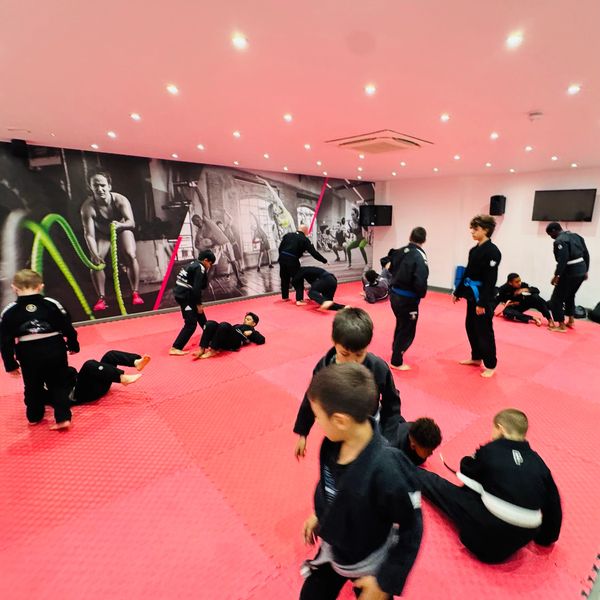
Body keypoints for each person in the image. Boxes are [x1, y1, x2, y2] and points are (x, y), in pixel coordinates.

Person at [299, 362, 422, 599]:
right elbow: (331, 486)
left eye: (318, 417)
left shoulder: (388, 469)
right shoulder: (332, 446)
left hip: (371, 559)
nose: (318, 424)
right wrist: (320, 515)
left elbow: (412, 526)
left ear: (340, 421)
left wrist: (386, 582)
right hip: (336, 547)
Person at [417, 409, 562, 564]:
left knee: (443, 488)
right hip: (523, 537)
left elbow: (467, 472)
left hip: (486, 540)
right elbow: (554, 505)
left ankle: (410, 470)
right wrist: (546, 538)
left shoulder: (490, 450)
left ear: (500, 428)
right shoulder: (539, 463)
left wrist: (470, 459)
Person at [293, 307, 402, 459]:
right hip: (338, 429)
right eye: (344, 354)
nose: (352, 362)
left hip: (369, 428)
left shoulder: (378, 367)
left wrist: (389, 439)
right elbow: (311, 399)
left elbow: (392, 403)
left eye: (359, 355)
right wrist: (303, 433)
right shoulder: (324, 368)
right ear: (334, 342)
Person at [0, 269, 79, 430]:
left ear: (14, 288)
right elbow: (67, 326)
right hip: (54, 348)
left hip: (28, 352)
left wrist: (10, 363)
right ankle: (63, 418)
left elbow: (5, 340)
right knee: (58, 383)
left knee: (32, 385)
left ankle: (34, 416)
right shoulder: (52, 304)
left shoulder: (9, 311)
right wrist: (73, 344)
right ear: (40, 286)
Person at [80, 171, 144, 311]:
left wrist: (119, 225)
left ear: (109, 186)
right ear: (91, 187)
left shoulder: (120, 200)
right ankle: (101, 298)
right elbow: (89, 235)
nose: (100, 189)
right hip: (102, 234)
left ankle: (135, 293)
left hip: (122, 228)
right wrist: (94, 254)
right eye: (95, 186)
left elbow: (131, 223)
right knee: (95, 263)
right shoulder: (88, 207)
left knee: (130, 254)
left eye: (102, 185)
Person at [453, 215, 502, 378]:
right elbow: (467, 272)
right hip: (471, 295)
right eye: (472, 229)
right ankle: (476, 357)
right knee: (471, 327)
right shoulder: (474, 250)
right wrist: (458, 291)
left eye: (476, 229)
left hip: (484, 297)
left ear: (486, 230)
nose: (472, 232)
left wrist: (482, 303)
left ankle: (490, 364)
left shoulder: (493, 252)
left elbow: (490, 280)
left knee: (484, 331)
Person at [387, 227, 429, 371]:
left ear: (410, 237)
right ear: (424, 240)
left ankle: (396, 349)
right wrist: (421, 294)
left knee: (401, 324)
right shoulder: (419, 255)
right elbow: (421, 278)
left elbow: (389, 266)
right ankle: (396, 361)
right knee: (407, 329)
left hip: (394, 295)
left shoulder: (399, 251)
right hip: (407, 298)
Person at [169, 250, 216, 356]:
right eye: (210, 263)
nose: (210, 266)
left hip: (184, 294)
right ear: (206, 260)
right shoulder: (200, 267)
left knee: (201, 318)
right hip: (185, 296)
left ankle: (210, 339)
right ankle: (176, 347)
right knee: (191, 324)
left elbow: (201, 285)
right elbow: (197, 288)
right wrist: (199, 304)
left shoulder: (194, 263)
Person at [545, 222, 590, 333]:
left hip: (570, 271)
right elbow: (586, 254)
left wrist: (557, 275)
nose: (551, 237)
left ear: (554, 230)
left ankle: (561, 326)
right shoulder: (576, 236)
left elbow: (563, 260)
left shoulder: (560, 241)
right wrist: (586, 270)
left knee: (556, 299)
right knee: (570, 295)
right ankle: (571, 320)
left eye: (550, 235)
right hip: (581, 270)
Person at [66, 351, 151, 404]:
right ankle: (122, 378)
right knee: (89, 365)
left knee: (110, 355)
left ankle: (136, 362)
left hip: (91, 386)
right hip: (82, 395)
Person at [278, 225, 327, 301]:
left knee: (284, 277)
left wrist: (282, 256)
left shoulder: (288, 235)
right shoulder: (304, 239)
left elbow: (280, 248)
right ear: (305, 231)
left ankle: (285, 297)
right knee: (298, 278)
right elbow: (313, 253)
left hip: (282, 258)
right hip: (292, 259)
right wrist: (324, 260)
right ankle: (299, 300)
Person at [191, 312, 265, 359]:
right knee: (210, 323)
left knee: (224, 325)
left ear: (254, 324)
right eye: (245, 318)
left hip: (235, 343)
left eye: (248, 319)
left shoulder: (251, 330)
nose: (245, 320)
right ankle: (202, 349)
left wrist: (252, 332)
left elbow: (262, 340)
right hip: (226, 338)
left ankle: (213, 351)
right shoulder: (238, 325)